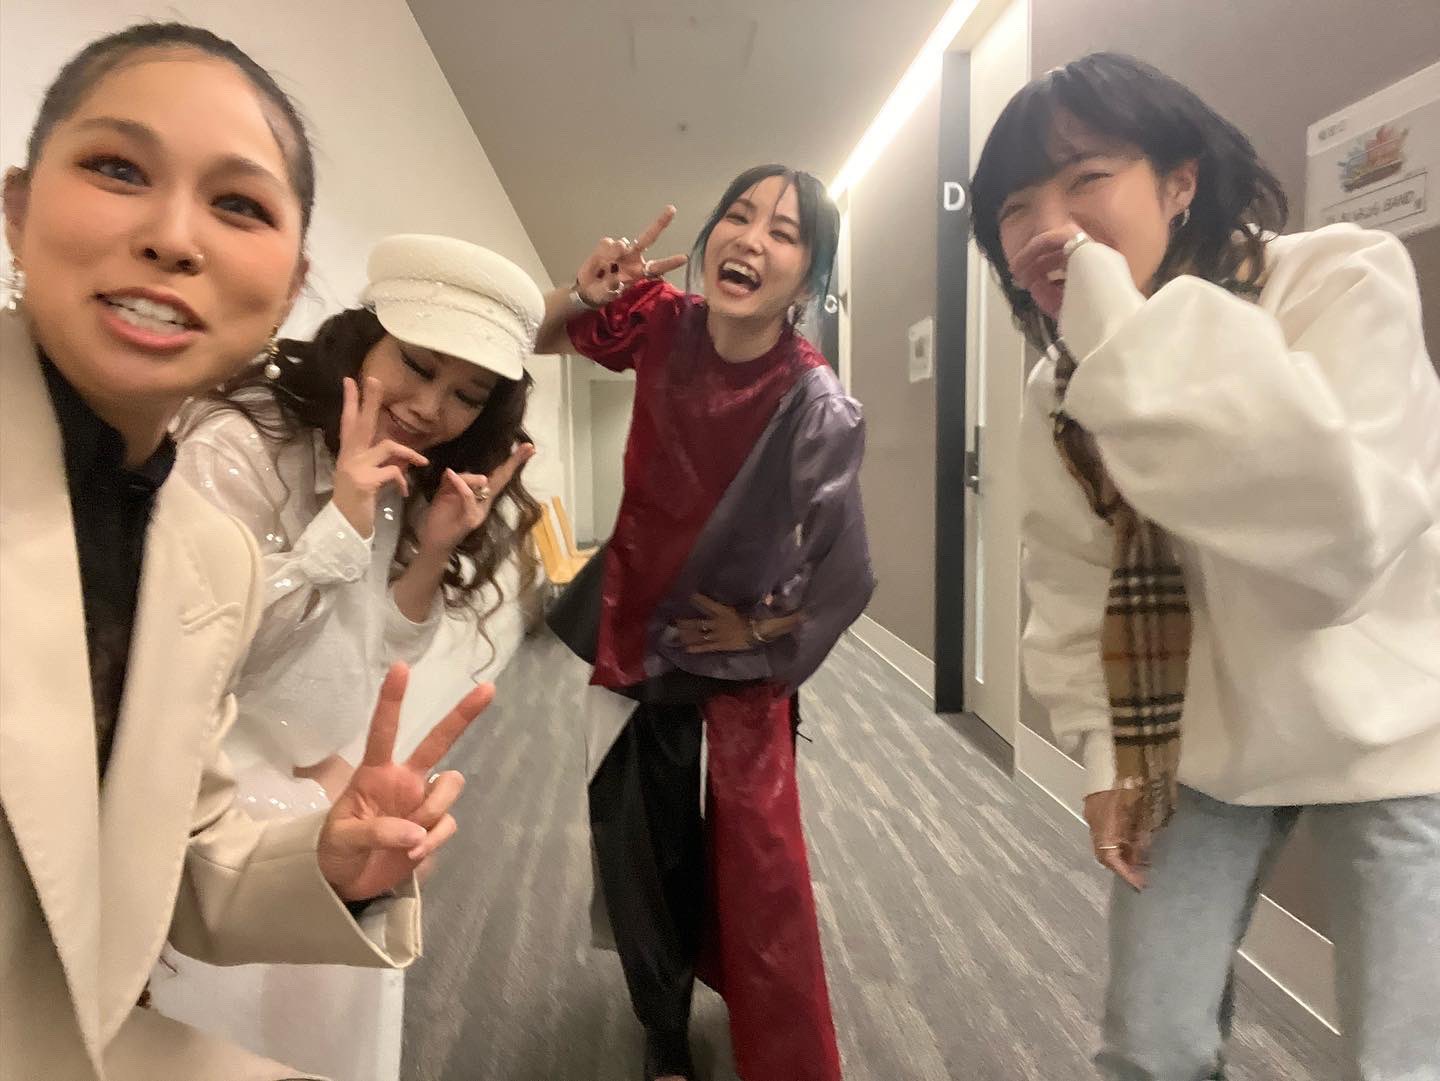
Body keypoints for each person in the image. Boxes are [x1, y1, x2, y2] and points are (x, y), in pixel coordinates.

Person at [0, 23, 488, 1081]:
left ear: (290, 279)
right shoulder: (240, 444)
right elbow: (258, 667)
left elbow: (158, 834)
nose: (175, 237)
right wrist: (339, 526)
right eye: (117, 168)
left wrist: (330, 860)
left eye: (238, 205)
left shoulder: (191, 532)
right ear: (18, 208)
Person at [969, 52, 1440, 1081]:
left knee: (1401, 1062)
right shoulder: (1059, 388)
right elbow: (1073, 582)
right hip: (1194, 742)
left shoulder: (1338, 279)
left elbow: (1340, 548)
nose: (1049, 225)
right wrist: (1104, 757)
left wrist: (1124, 340)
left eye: (1087, 178)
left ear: (1179, 182)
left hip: (1400, 734)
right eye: (1015, 207)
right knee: (1150, 1044)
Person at [146, 236, 543, 1080]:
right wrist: (343, 524)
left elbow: (377, 645)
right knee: (225, 1036)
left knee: (329, 1017)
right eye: (418, 364)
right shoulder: (241, 441)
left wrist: (434, 548)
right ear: (365, 336)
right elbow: (197, 652)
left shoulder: (394, 463)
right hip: (207, 790)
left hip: (310, 775)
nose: (430, 407)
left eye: (467, 395)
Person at [533, 165, 875, 1081]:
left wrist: (766, 634)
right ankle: (663, 1029)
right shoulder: (663, 322)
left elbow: (845, 567)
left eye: (785, 232)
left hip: (736, 662)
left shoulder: (813, 399)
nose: (752, 239)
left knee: (754, 865)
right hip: (632, 633)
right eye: (740, 215)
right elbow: (534, 335)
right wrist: (582, 292)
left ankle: (753, 1017)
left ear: (807, 278)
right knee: (640, 851)